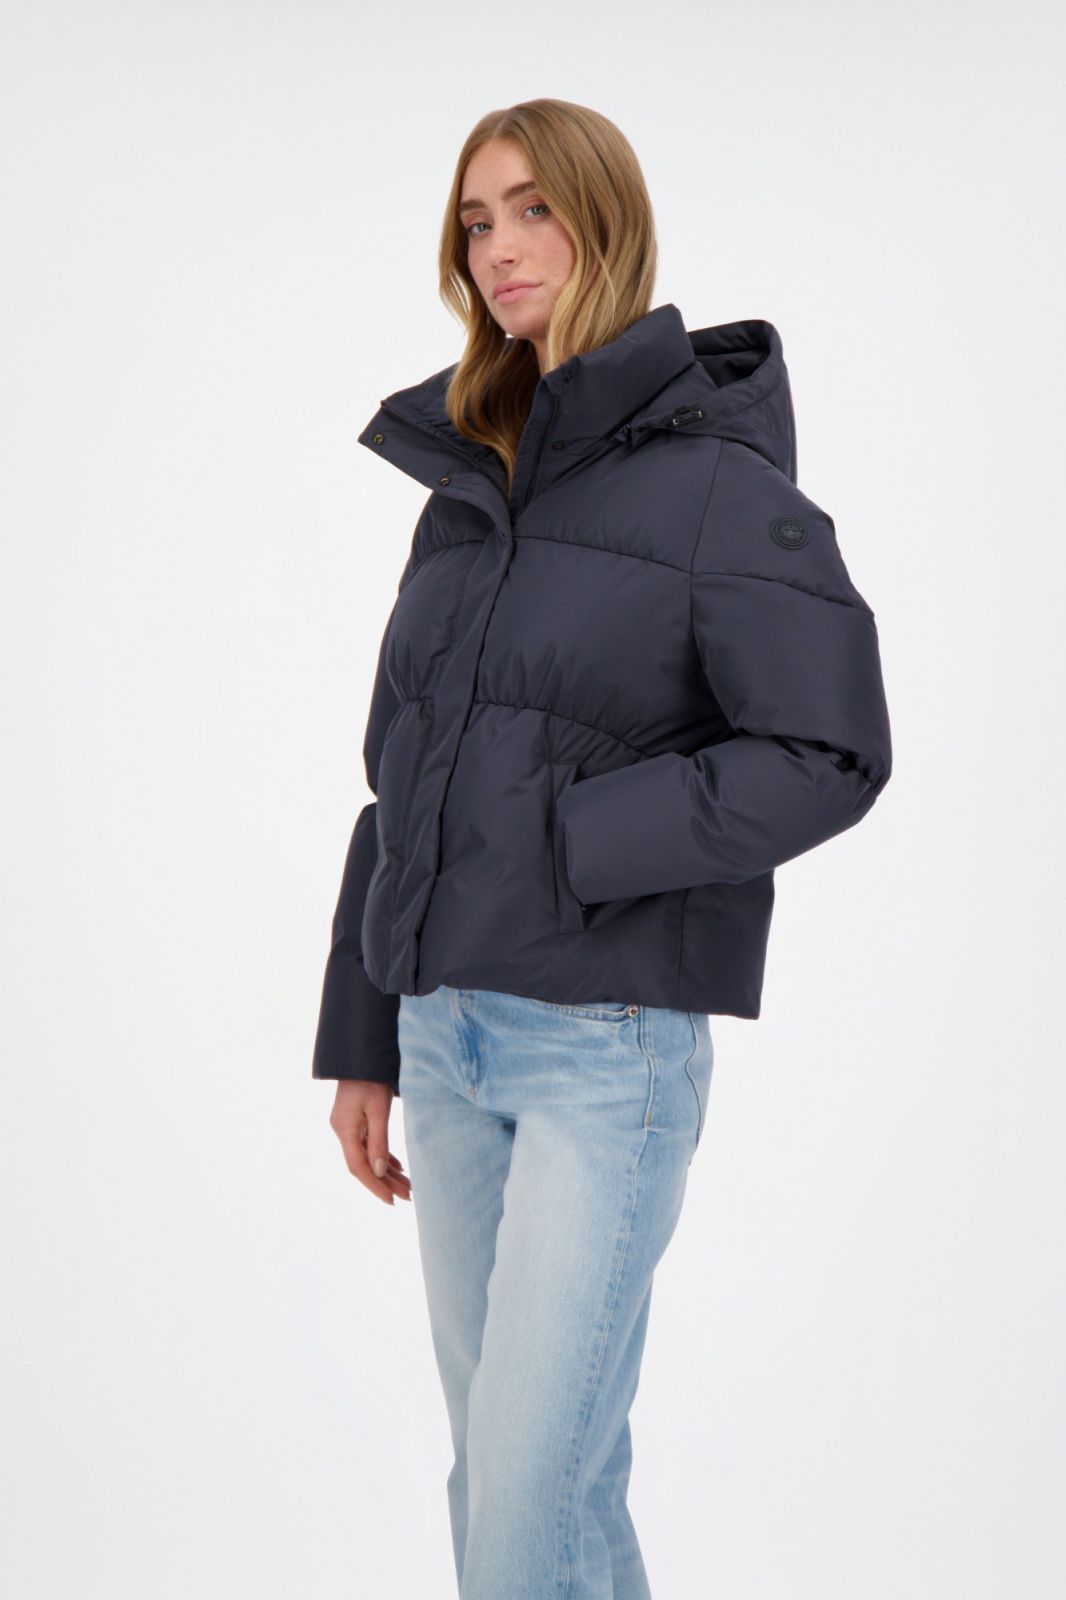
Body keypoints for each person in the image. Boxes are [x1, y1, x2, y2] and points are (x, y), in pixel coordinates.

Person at [311, 97, 892, 1600]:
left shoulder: (719, 487)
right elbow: (397, 775)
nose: (499, 248)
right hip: (443, 1042)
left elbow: (829, 750)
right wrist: (363, 1032)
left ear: (607, 221)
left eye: (534, 210)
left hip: (599, 1050)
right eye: (474, 221)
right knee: (518, 1484)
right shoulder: (468, 485)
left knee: (529, 1500)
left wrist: (578, 840)